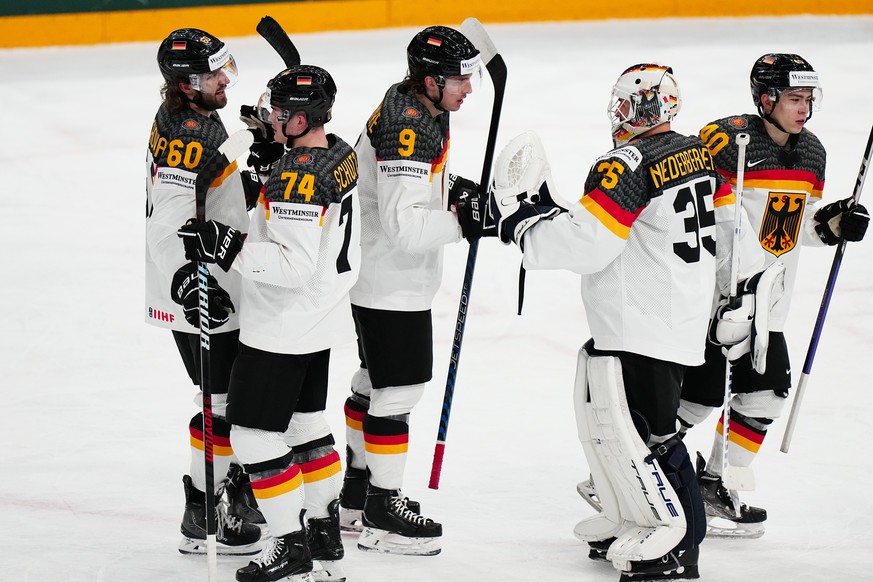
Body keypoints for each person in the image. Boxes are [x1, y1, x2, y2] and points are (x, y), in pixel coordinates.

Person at [488, 63, 775, 580]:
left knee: (645, 436)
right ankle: (635, 519)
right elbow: (737, 236)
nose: (620, 116)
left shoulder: (628, 162)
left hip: (638, 322)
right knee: (631, 435)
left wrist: (522, 226)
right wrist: (742, 297)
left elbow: (589, 242)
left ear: (649, 108)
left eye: (627, 105)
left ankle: (679, 547)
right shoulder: (702, 155)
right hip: (680, 320)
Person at [179, 63, 359, 582]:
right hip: (319, 321)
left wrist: (227, 244)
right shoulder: (338, 152)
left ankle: (289, 545)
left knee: (255, 437)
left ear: (303, 118)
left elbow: (292, 265)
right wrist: (273, 161)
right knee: (304, 427)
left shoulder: (297, 176)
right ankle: (324, 533)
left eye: (280, 113)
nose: (272, 118)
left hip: (280, 325)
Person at [678, 53, 869, 538]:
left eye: (808, 99)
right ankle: (629, 471)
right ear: (766, 98)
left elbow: (787, 227)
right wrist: (725, 294)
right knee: (696, 400)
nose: (803, 109)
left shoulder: (812, 154)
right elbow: (706, 223)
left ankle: (712, 482)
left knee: (765, 394)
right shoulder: (724, 142)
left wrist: (829, 225)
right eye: (793, 98)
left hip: (766, 302)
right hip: (715, 300)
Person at [338, 25, 484, 556]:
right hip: (389, 279)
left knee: (373, 379)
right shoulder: (409, 125)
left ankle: (354, 497)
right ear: (429, 79)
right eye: (460, 78)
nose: (468, 88)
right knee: (397, 392)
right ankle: (382, 509)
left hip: (375, 274)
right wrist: (468, 222)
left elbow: (405, 189)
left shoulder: (416, 106)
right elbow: (405, 227)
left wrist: (454, 192)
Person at [146, 27, 262, 556]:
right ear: (187, 84)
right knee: (219, 401)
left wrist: (251, 156)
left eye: (225, 66)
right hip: (200, 283)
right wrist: (189, 281)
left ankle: (226, 490)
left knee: (227, 397)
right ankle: (203, 508)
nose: (225, 79)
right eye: (214, 73)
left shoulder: (196, 119)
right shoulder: (188, 131)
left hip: (213, 276)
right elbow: (168, 221)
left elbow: (210, 186)